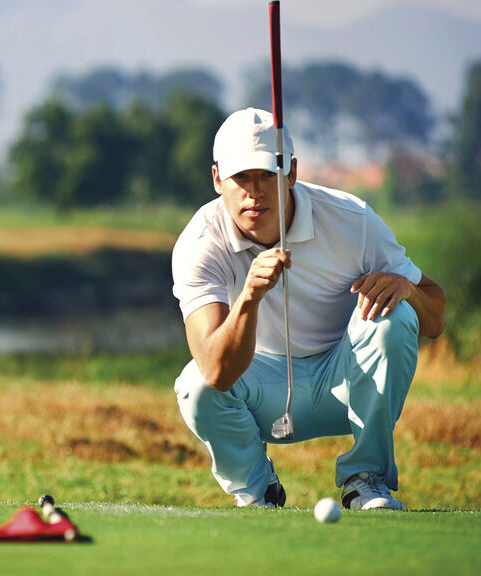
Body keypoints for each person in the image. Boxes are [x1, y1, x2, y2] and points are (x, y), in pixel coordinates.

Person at [171, 108, 446, 510]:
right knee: (195, 385)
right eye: (241, 177)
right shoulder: (199, 242)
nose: (255, 191)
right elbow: (216, 371)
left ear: (292, 173)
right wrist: (248, 296)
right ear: (217, 179)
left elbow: (435, 319)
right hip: (259, 391)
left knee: (397, 316)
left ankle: (365, 479)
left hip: (348, 382)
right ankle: (258, 490)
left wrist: (407, 289)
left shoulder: (352, 219)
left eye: (268, 174)